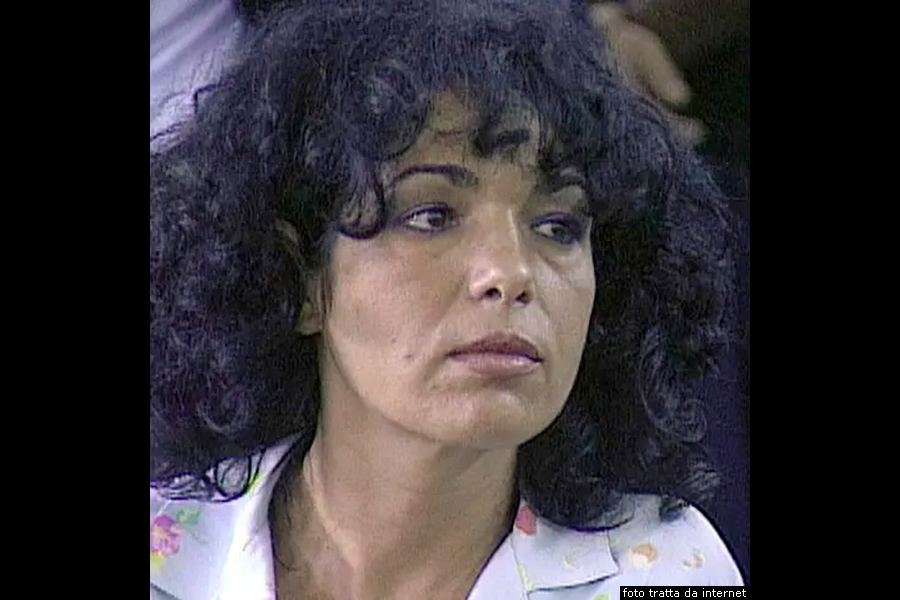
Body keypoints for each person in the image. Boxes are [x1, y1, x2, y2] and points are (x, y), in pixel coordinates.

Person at [149, 1, 744, 598]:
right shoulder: (166, 551)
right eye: (432, 216)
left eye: (558, 227)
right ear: (302, 276)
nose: (510, 273)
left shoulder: (675, 572)